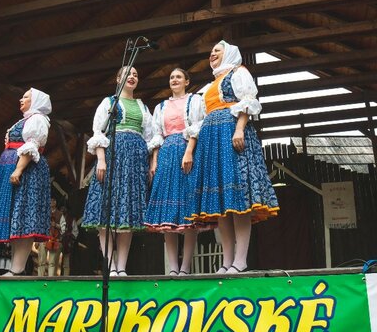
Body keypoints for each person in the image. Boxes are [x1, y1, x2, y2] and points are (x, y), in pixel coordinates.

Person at [189, 41, 279, 274]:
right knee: (221, 204)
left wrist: (239, 129)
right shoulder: (209, 86)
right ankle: (227, 260)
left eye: (216, 51)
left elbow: (248, 102)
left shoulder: (239, 73)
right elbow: (199, 119)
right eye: (210, 53)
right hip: (211, 140)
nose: (212, 55)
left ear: (228, 53)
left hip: (230, 134)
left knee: (238, 199)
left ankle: (241, 259)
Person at [82, 66, 153, 276]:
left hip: (136, 161)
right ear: (118, 78)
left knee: (127, 213)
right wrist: (101, 160)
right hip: (113, 157)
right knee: (106, 210)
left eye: (136, 74)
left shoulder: (142, 106)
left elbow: (150, 136)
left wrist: (150, 164)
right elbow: (98, 131)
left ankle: (121, 267)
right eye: (128, 74)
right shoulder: (109, 102)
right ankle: (109, 265)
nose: (132, 77)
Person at [0, 88, 52, 276]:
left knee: (22, 215)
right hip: (12, 167)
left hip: (27, 170)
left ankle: (17, 269)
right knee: (16, 218)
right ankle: (15, 267)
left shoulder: (37, 119)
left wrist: (18, 169)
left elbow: (32, 145)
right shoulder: (24, 119)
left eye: (26, 97)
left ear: (35, 101)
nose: (21, 99)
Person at [145, 68, 209, 276]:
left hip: (187, 151)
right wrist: (154, 161)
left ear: (187, 81)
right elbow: (156, 135)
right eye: (171, 77)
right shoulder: (161, 106)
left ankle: (185, 267)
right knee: (167, 214)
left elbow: (198, 125)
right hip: (166, 154)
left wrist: (189, 150)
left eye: (178, 77)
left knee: (188, 213)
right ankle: (172, 268)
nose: (174, 80)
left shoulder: (195, 101)